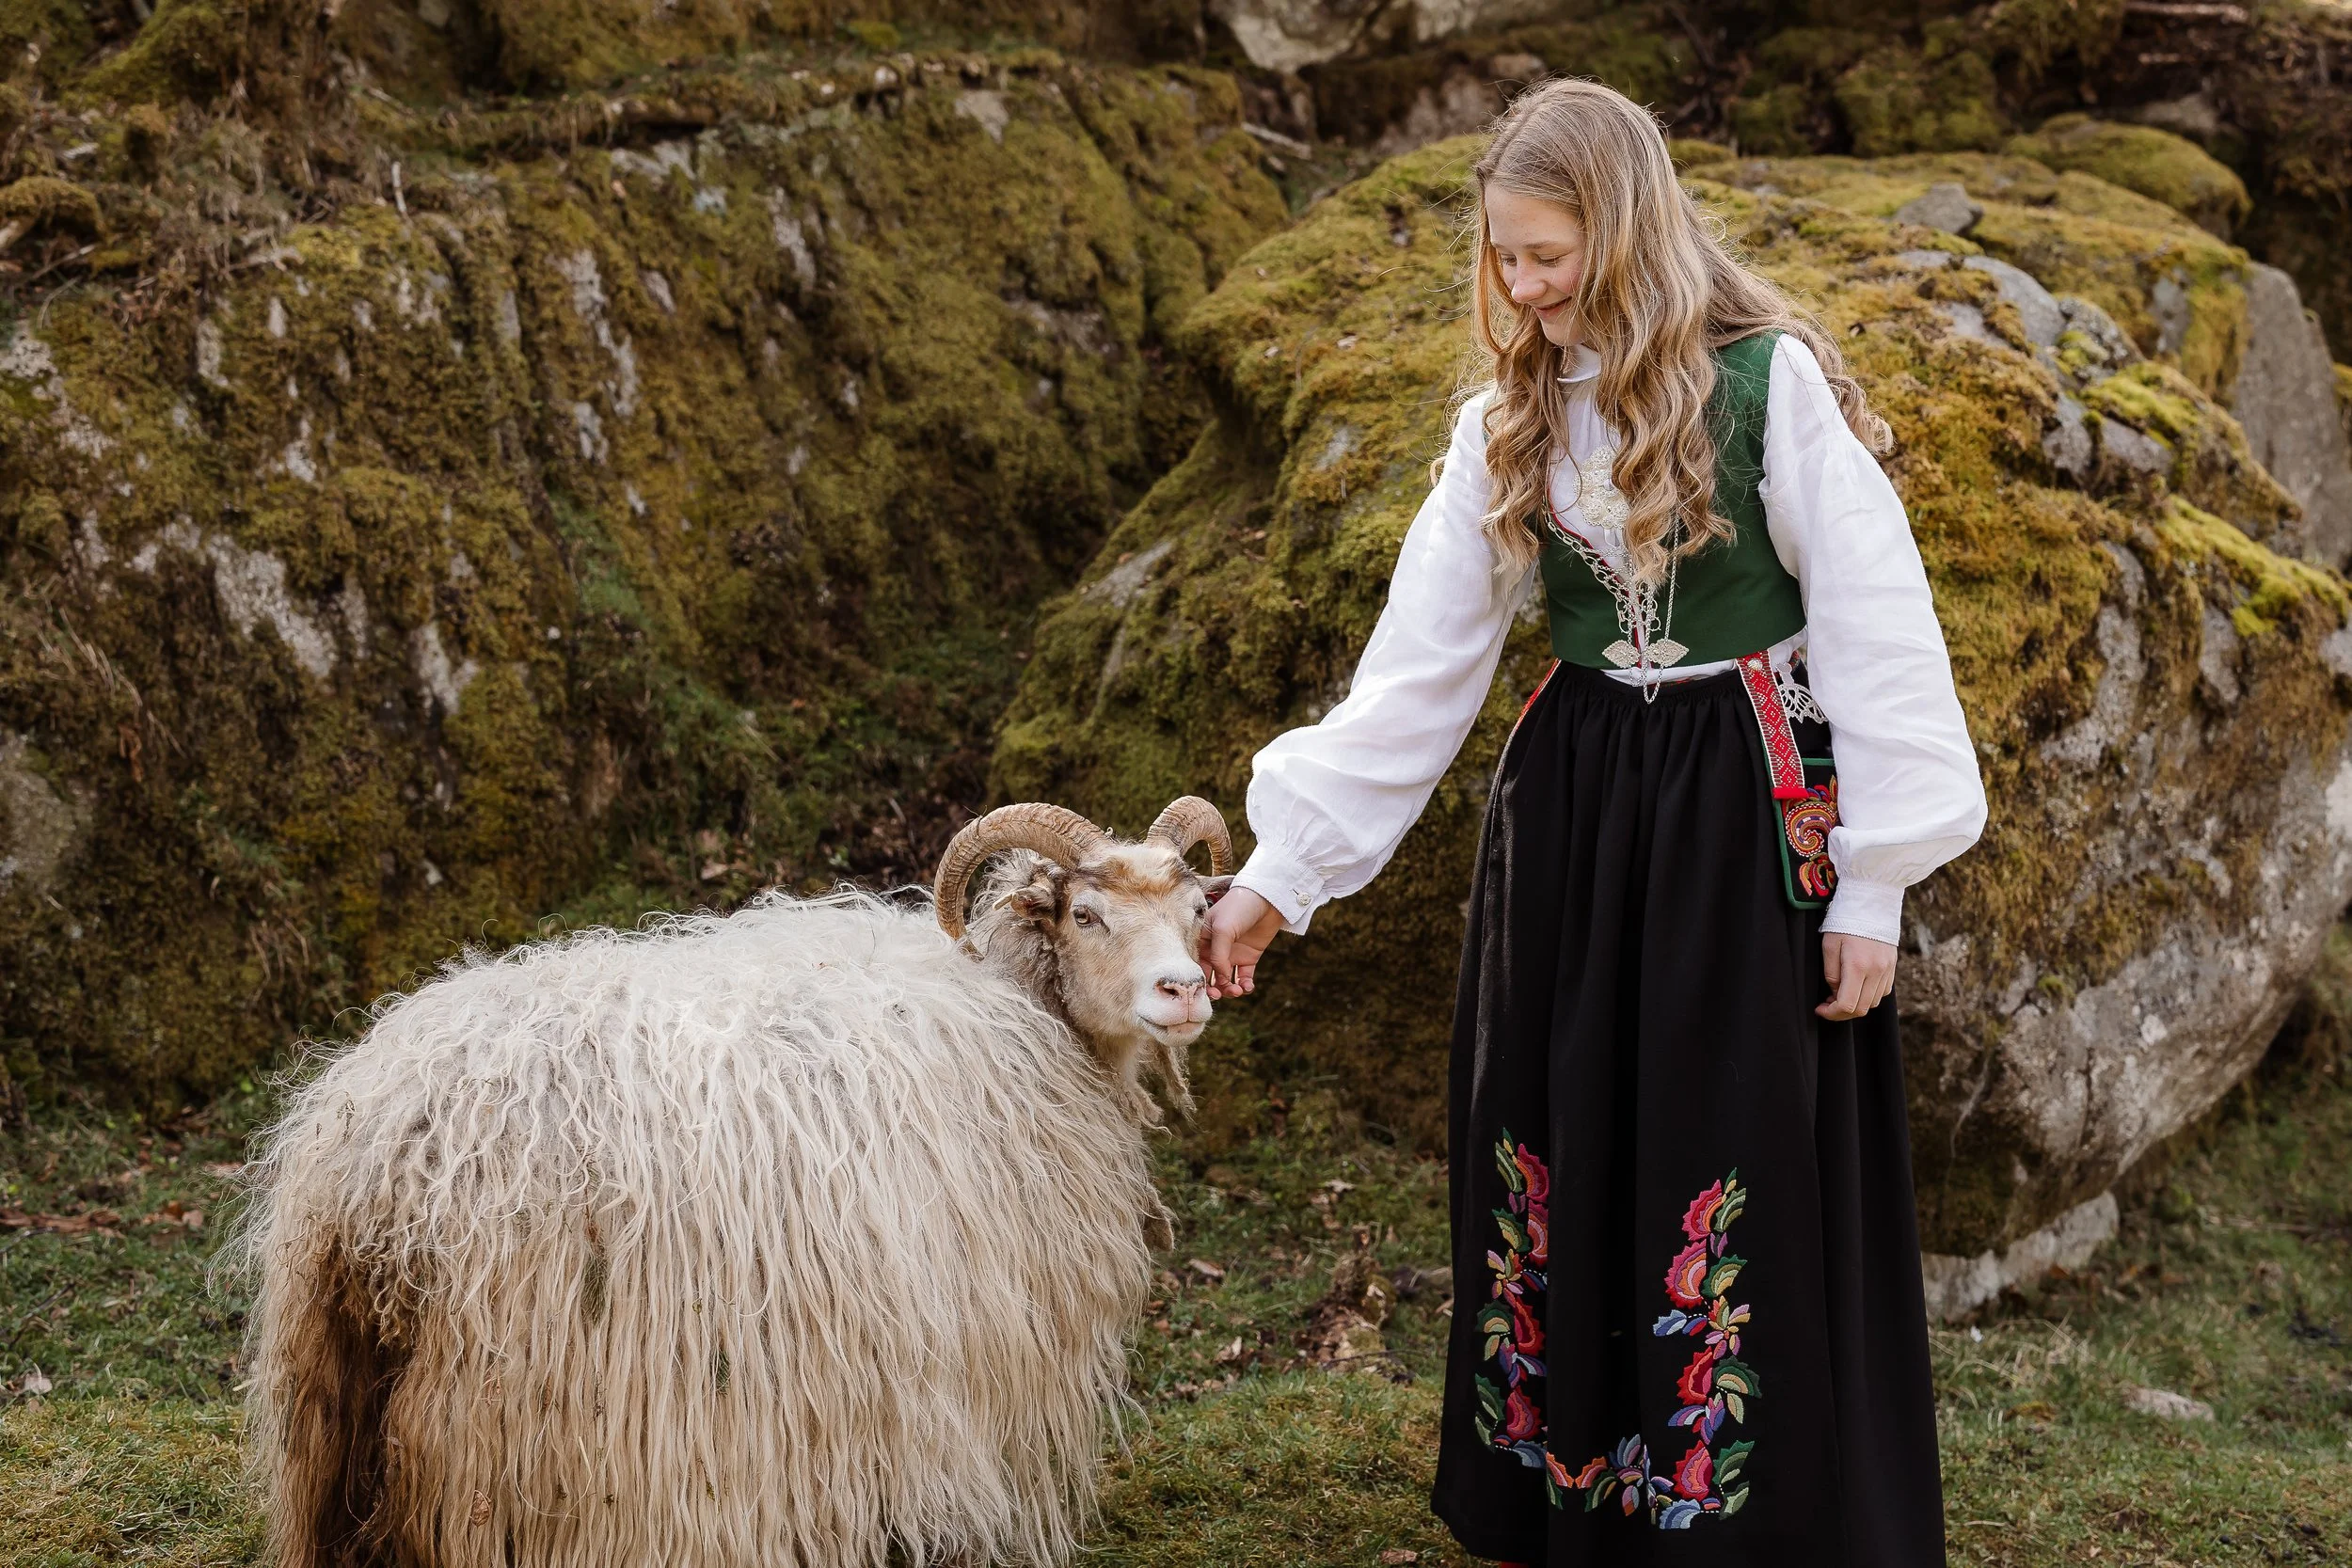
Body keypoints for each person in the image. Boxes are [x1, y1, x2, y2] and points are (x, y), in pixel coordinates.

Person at [1200, 78, 1986, 1565]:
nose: (1524, 285)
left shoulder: (1768, 384)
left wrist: (1874, 885)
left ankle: (1729, 1510)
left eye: (1549, 253)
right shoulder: (1505, 420)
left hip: (1740, 813)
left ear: (1625, 231)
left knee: (1726, 1138)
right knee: (1565, 1128)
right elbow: (1419, 670)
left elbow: (1884, 632)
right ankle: (1589, 1495)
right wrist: (1278, 878)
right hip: (1571, 818)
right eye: (1504, 254)